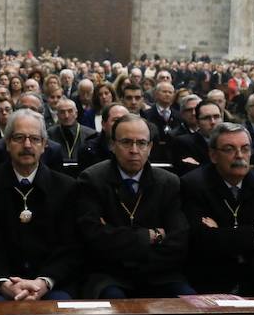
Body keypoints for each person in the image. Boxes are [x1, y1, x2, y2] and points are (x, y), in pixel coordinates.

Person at [76, 115, 193, 298]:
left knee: (188, 302)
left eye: (142, 143)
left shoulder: (169, 182)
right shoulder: (92, 180)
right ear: (112, 145)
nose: (134, 150)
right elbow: (95, 238)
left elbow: (178, 240)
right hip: (110, 275)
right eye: (126, 142)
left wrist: (129, 250)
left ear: (151, 147)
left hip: (159, 273)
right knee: (114, 301)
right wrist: (152, 236)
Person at [0, 109, 81, 300]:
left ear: (45, 145)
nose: (27, 145)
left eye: (35, 139)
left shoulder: (66, 188)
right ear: (7, 143)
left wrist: (43, 282)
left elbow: (71, 246)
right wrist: (3, 283)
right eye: (19, 138)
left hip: (52, 285)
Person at [182, 123, 254, 295]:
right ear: (213, 155)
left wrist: (223, 233)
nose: (239, 156)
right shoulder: (193, 184)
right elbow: (203, 241)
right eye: (229, 149)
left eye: (245, 148)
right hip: (210, 279)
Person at [172, 100, 221, 175]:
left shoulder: (231, 141)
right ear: (197, 122)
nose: (213, 122)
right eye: (207, 118)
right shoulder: (184, 143)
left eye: (216, 117)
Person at [78, 103, 129, 169]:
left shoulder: (136, 148)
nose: (121, 124)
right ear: (103, 124)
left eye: (125, 120)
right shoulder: (89, 150)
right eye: (116, 120)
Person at [47, 97, 96, 163]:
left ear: (76, 114)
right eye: (62, 112)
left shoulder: (91, 135)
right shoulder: (50, 134)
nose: (66, 116)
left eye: (70, 111)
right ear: (57, 115)